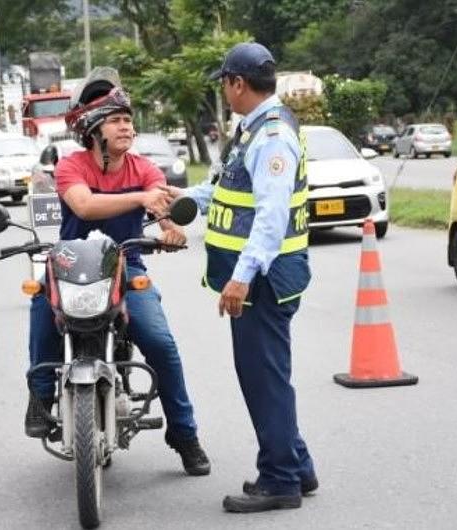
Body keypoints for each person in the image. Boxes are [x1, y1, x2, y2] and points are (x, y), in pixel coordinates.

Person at [24, 67, 210, 476]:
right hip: (71, 265)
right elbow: (85, 206)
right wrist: (140, 198)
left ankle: (184, 432)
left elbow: (162, 209)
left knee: (160, 343)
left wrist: (170, 228)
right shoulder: (72, 166)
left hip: (126, 265)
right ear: (93, 130)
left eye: (128, 119)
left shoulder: (144, 169)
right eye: (116, 120)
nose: (127, 127)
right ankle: (39, 397)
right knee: (41, 306)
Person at [166, 42, 317, 512]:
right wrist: (178, 198)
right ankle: (297, 466)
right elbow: (226, 192)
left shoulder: (271, 137)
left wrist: (241, 277)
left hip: (265, 280)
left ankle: (280, 481)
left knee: (263, 377)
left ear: (237, 83)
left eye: (224, 83)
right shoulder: (253, 131)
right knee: (267, 373)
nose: (224, 92)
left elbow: (270, 218)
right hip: (265, 277)